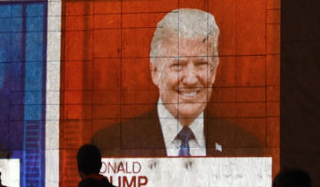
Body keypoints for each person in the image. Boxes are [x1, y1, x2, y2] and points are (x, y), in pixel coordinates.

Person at [91, 8, 264, 157]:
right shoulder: (111, 145)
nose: (190, 79)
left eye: (201, 64)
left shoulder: (244, 146)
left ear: (214, 71)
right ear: (155, 72)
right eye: (178, 65)